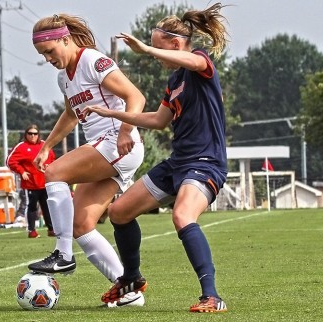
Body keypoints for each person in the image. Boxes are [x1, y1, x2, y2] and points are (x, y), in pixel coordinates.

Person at [83, 3, 229, 312]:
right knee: (119, 212)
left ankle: (212, 296)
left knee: (182, 215)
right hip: (178, 163)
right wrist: (110, 111)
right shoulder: (175, 81)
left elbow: (190, 60)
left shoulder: (200, 63)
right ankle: (131, 279)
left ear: (174, 44)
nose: (156, 55)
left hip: (205, 162)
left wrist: (147, 49)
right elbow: (158, 120)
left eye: (159, 44)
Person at [27, 14, 146, 306]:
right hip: (105, 147)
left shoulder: (93, 60)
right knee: (81, 224)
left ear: (66, 39)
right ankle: (128, 291)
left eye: (50, 51)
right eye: (43, 55)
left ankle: (63, 255)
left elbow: (137, 97)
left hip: (117, 142)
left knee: (55, 172)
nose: (48, 58)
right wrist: (47, 145)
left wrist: (125, 131)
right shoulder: (63, 77)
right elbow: (70, 114)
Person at [6, 124, 55, 238]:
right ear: (26, 135)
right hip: (30, 184)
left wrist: (49, 167)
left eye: (35, 134)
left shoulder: (44, 145)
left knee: (47, 206)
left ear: (38, 134)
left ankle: (51, 229)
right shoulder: (21, 147)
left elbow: (52, 158)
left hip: (45, 182)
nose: (33, 136)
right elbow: (10, 161)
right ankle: (31, 230)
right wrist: (21, 171)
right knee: (32, 206)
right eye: (30, 133)